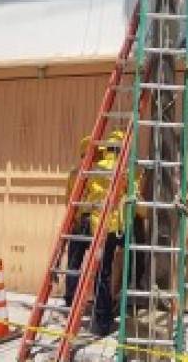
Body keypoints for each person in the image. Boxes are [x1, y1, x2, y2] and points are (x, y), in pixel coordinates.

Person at [62, 131, 126, 337]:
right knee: (102, 271)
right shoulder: (124, 169)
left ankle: (71, 302)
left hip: (86, 222)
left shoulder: (81, 172)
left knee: (75, 264)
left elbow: (71, 200)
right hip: (109, 226)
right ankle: (103, 317)